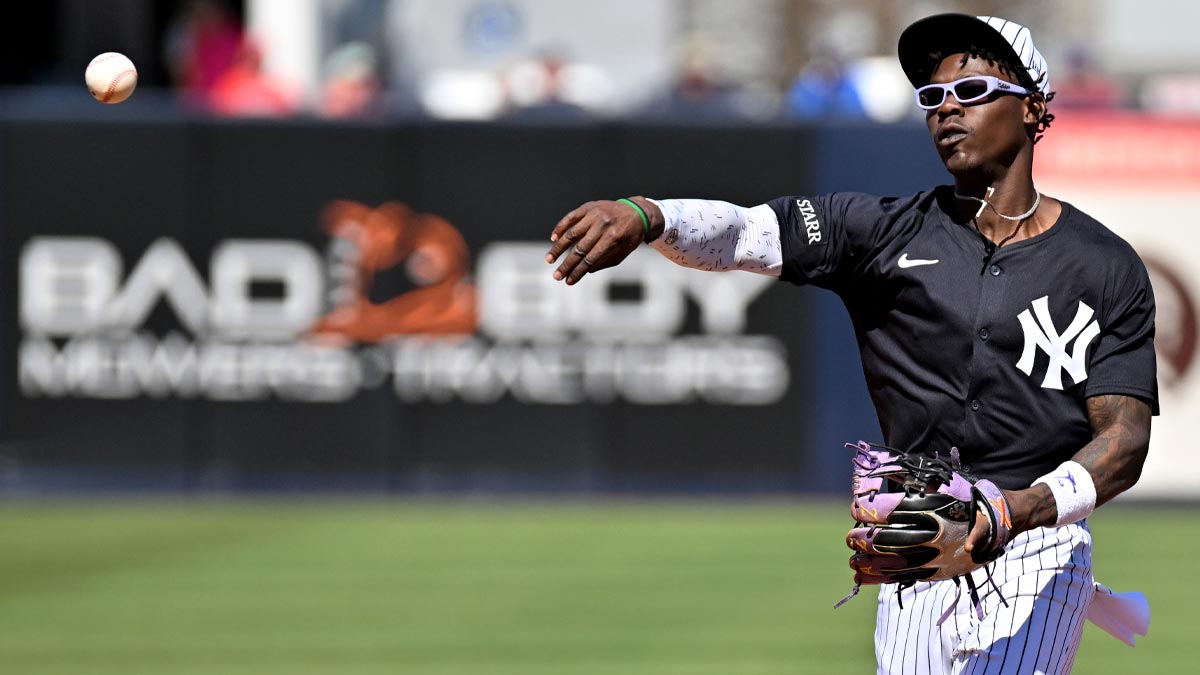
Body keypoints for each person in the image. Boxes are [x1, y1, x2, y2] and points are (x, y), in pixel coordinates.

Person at [545, 14, 1156, 675]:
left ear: (1035, 109)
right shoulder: (880, 231)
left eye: (972, 90)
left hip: (1041, 539)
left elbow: (1123, 443)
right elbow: (747, 233)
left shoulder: (1104, 265)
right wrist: (649, 216)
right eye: (933, 97)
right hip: (917, 522)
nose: (947, 108)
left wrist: (1016, 510)